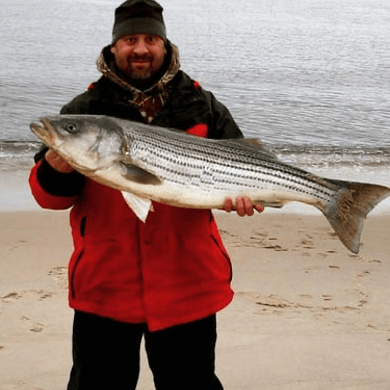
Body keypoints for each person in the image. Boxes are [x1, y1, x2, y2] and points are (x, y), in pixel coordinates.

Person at [29, 1, 263, 389]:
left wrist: (247, 197)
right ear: (114, 47)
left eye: (150, 38)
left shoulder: (200, 102)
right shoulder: (84, 110)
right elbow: (47, 196)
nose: (140, 48)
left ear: (164, 44)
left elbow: (243, 163)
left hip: (188, 284)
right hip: (106, 286)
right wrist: (57, 165)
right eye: (130, 39)